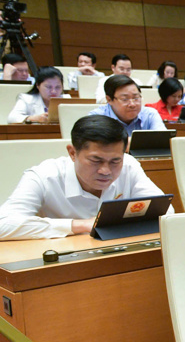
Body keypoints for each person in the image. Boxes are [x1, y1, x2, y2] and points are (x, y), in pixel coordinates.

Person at [0, 115, 168, 240]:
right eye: (96, 160)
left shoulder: (129, 165)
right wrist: (79, 225)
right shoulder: (44, 176)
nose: (105, 170)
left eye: (115, 161)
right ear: (73, 153)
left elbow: (165, 210)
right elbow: (3, 224)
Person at [88, 75, 166, 135]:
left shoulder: (150, 114)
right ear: (109, 100)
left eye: (136, 98)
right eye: (125, 99)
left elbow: (164, 140)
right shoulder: (96, 117)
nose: (132, 104)